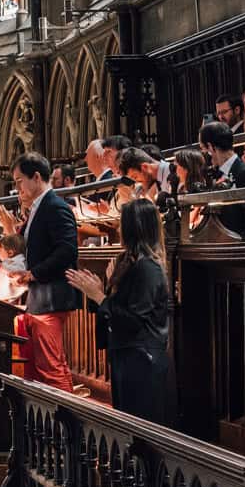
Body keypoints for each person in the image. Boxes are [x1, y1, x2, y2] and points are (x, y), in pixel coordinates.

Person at [65, 199, 176, 427]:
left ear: (132, 227)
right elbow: (120, 308)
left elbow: (133, 320)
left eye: (121, 223)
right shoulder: (133, 264)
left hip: (142, 361)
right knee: (127, 425)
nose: (117, 228)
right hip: (128, 355)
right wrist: (103, 291)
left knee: (141, 430)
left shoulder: (148, 268)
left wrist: (99, 296)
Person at [10, 152, 80, 391]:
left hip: (52, 298)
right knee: (42, 367)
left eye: (20, 181)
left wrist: (34, 273)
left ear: (36, 177)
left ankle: (67, 423)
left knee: (52, 368)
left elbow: (67, 250)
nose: (17, 187)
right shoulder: (39, 208)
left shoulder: (55, 206)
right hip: (41, 298)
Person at [199, 121, 245, 240]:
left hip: (241, 252)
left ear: (211, 147)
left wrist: (241, 250)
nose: (203, 155)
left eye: (203, 149)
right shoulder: (215, 175)